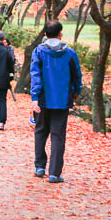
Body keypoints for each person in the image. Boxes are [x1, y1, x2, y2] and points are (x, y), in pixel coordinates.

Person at [31, 20, 82, 184]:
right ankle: (54, 173)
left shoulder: (39, 51)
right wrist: (75, 93)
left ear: (45, 34)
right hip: (62, 101)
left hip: (43, 99)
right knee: (58, 136)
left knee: (40, 132)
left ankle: (39, 167)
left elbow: (35, 76)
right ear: (60, 33)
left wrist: (34, 98)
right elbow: (76, 76)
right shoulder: (70, 53)